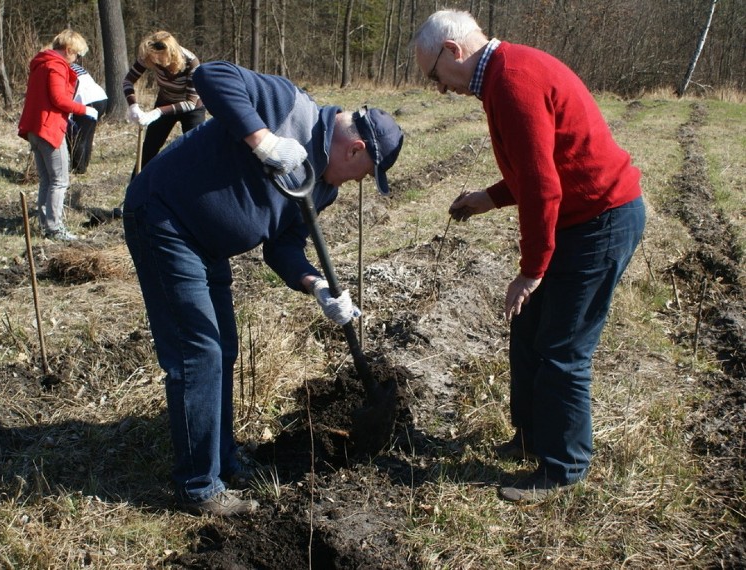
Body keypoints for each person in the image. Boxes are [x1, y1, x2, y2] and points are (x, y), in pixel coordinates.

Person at [123, 60, 403, 516]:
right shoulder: (288, 106)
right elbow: (212, 76)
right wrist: (264, 140)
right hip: (164, 219)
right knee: (200, 352)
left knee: (224, 348)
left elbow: (283, 246)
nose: (359, 183)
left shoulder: (323, 186)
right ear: (354, 150)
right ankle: (198, 488)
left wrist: (316, 286)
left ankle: (224, 459)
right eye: (366, 173)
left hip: (207, 244)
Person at [413, 10, 646, 502]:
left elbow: (544, 187)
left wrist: (531, 270)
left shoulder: (513, 82)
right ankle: (530, 439)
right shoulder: (504, 74)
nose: (439, 88)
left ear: (452, 52)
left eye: (434, 76)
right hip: (579, 218)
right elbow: (539, 164)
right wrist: (488, 198)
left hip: (600, 221)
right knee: (527, 328)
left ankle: (563, 467)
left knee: (562, 347)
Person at [17, 30, 98, 241]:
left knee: (47, 179)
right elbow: (58, 99)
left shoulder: (41, 63)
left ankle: (46, 224)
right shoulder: (56, 66)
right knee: (60, 180)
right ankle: (55, 228)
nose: (77, 59)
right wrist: (84, 110)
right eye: (77, 54)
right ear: (68, 50)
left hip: (35, 127)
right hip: (48, 128)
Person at [123, 31, 206, 175]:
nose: (156, 63)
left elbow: (191, 103)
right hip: (165, 100)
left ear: (171, 54)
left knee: (196, 151)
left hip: (192, 109)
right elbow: (127, 81)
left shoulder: (191, 62)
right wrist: (133, 106)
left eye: (160, 59)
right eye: (154, 60)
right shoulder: (150, 53)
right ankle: (135, 192)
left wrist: (157, 112)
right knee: (148, 149)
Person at [66, 61, 108, 175]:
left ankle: (78, 169)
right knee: (87, 135)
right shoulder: (76, 66)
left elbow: (75, 84)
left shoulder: (65, 67)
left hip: (86, 100)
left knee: (77, 137)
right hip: (101, 98)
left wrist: (68, 108)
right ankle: (83, 166)